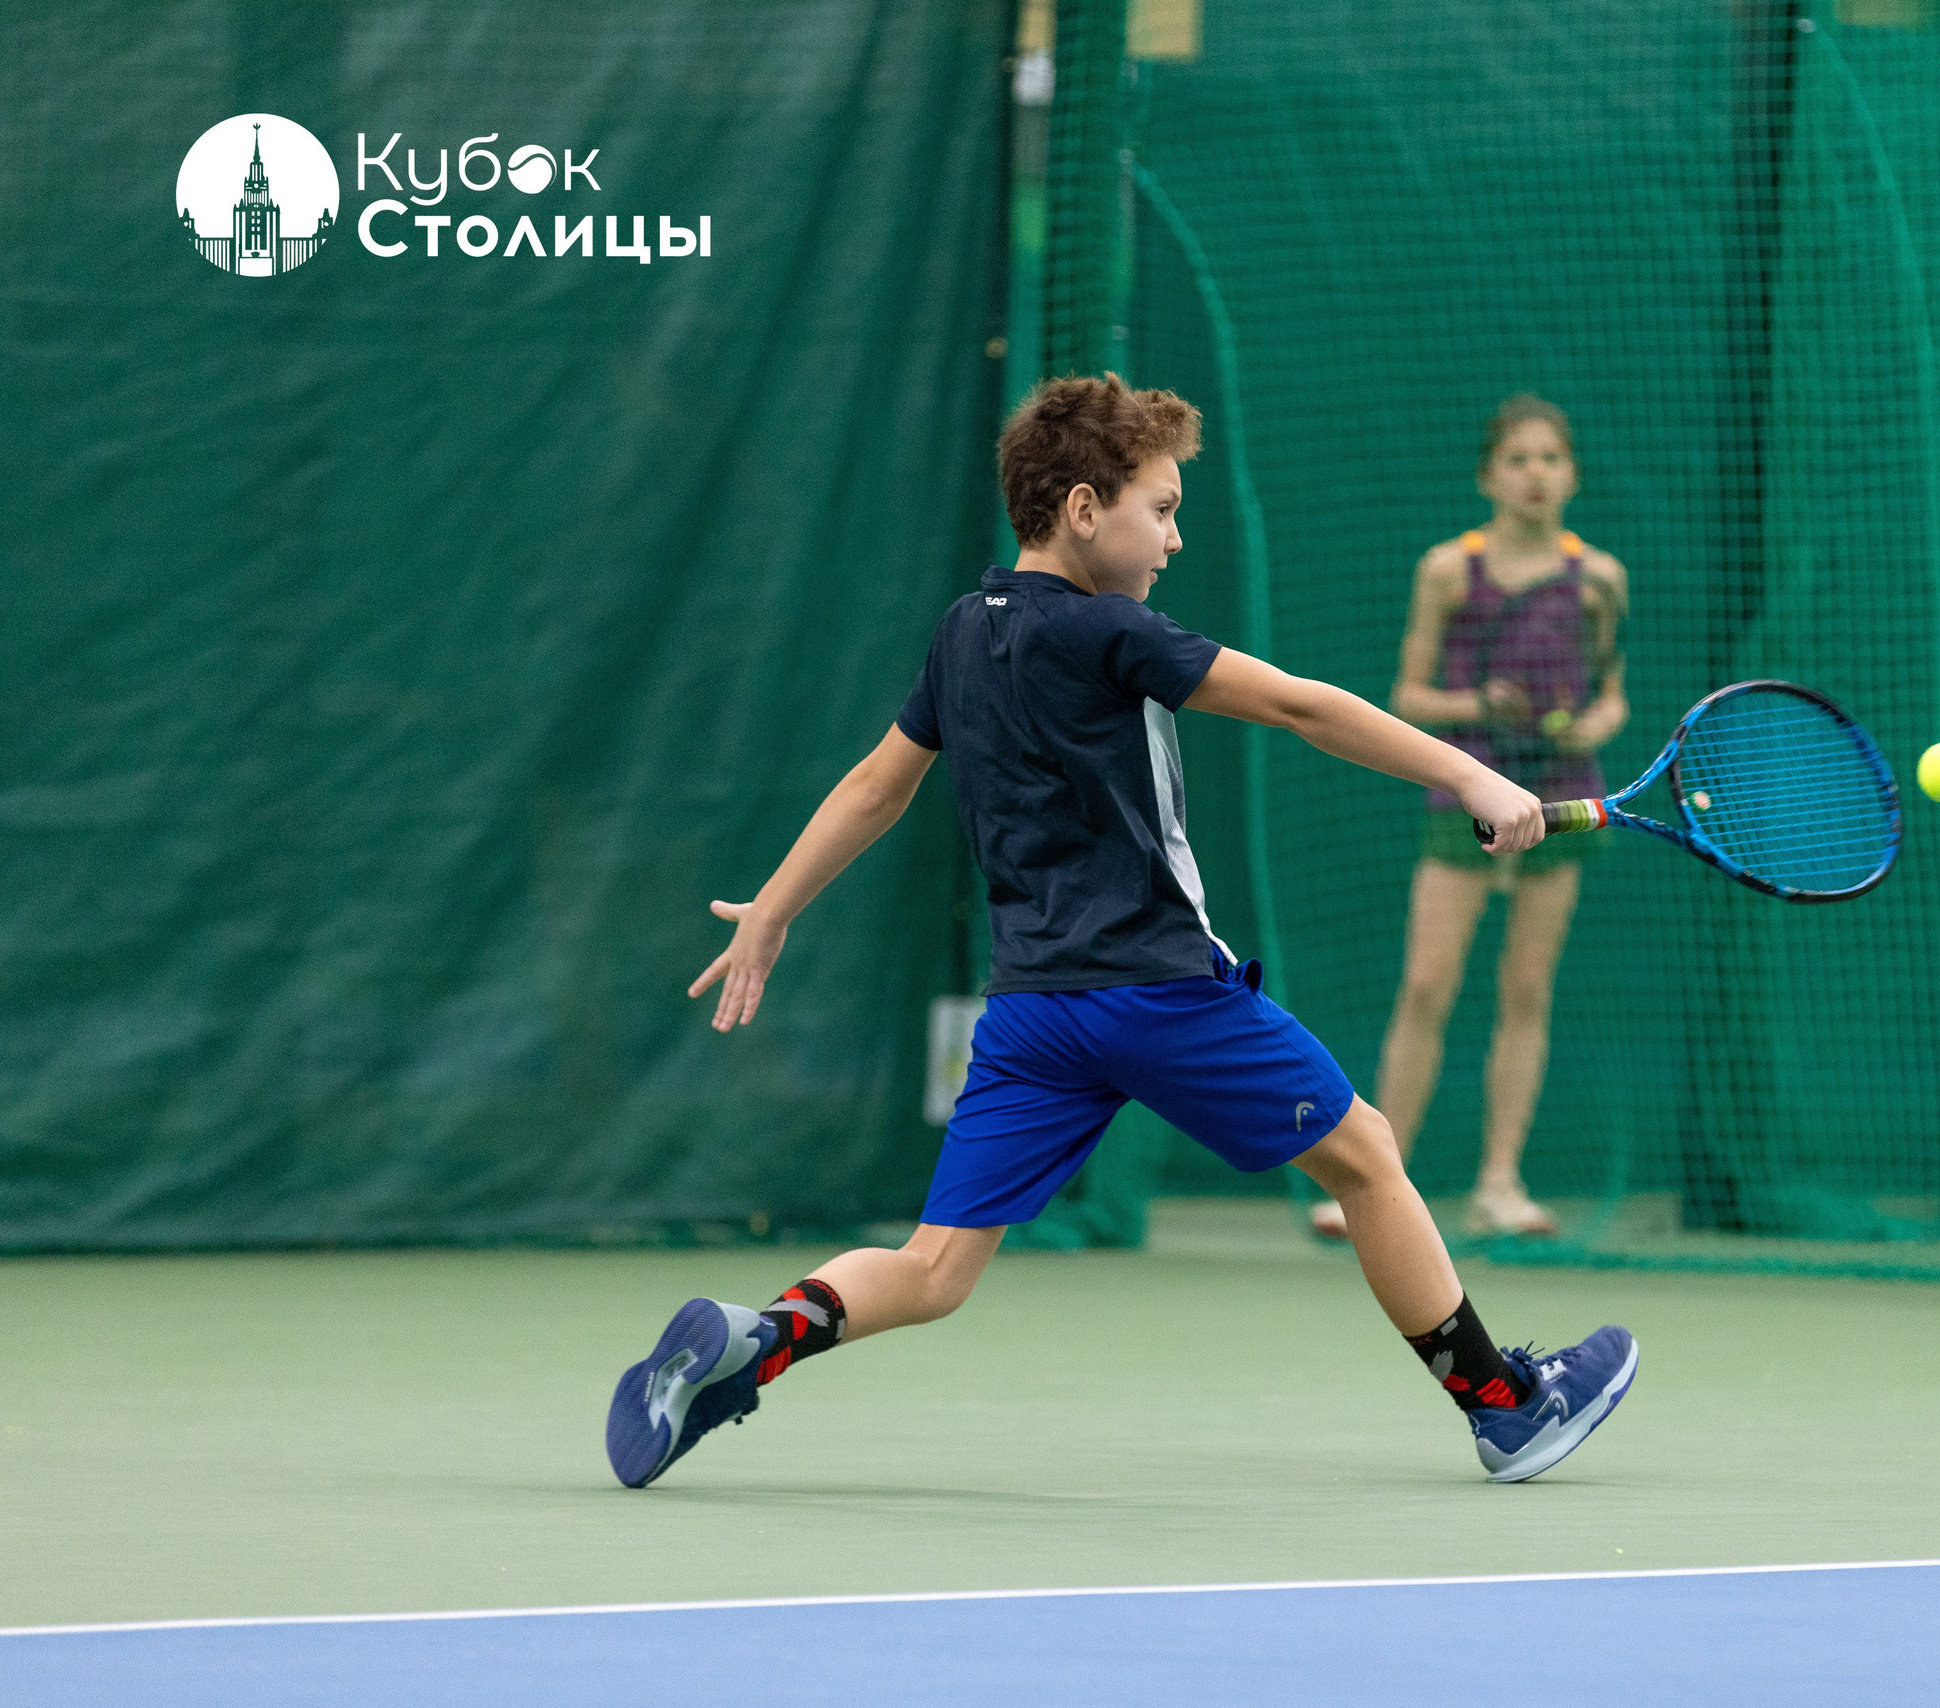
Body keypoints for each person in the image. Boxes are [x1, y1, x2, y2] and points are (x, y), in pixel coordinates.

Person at [606, 375, 1636, 1491]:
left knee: (936, 1266)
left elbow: (874, 785)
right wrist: (1470, 774)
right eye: (1161, 508)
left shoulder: (966, 628)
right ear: (1085, 508)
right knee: (1369, 1157)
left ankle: (749, 1344)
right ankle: (1504, 1404)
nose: (1175, 537)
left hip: (1031, 1013)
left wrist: (773, 908)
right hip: (1157, 992)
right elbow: (1298, 704)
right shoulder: (1113, 632)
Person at [1309, 396, 1627, 1242]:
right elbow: (1408, 696)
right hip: (1466, 796)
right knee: (1426, 985)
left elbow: (1610, 694)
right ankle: (1377, 1183)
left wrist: (1596, 724)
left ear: (1573, 475)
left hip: (1561, 799)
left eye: (1550, 459)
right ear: (1489, 476)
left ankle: (1499, 1183)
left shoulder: (1599, 578)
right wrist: (1476, 702)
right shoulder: (1449, 569)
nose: (1535, 474)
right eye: (1518, 459)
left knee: (1526, 990)